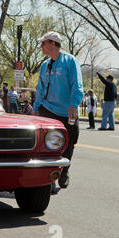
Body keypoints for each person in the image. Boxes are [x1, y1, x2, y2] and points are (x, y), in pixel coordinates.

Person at [34, 31, 84, 193]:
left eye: (43, 43)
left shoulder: (70, 61)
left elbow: (77, 84)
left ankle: (64, 172)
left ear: (53, 43)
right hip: (47, 110)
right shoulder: (44, 65)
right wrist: (36, 109)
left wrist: (73, 105)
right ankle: (47, 177)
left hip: (66, 111)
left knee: (70, 142)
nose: (41, 46)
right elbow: (40, 89)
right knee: (46, 145)